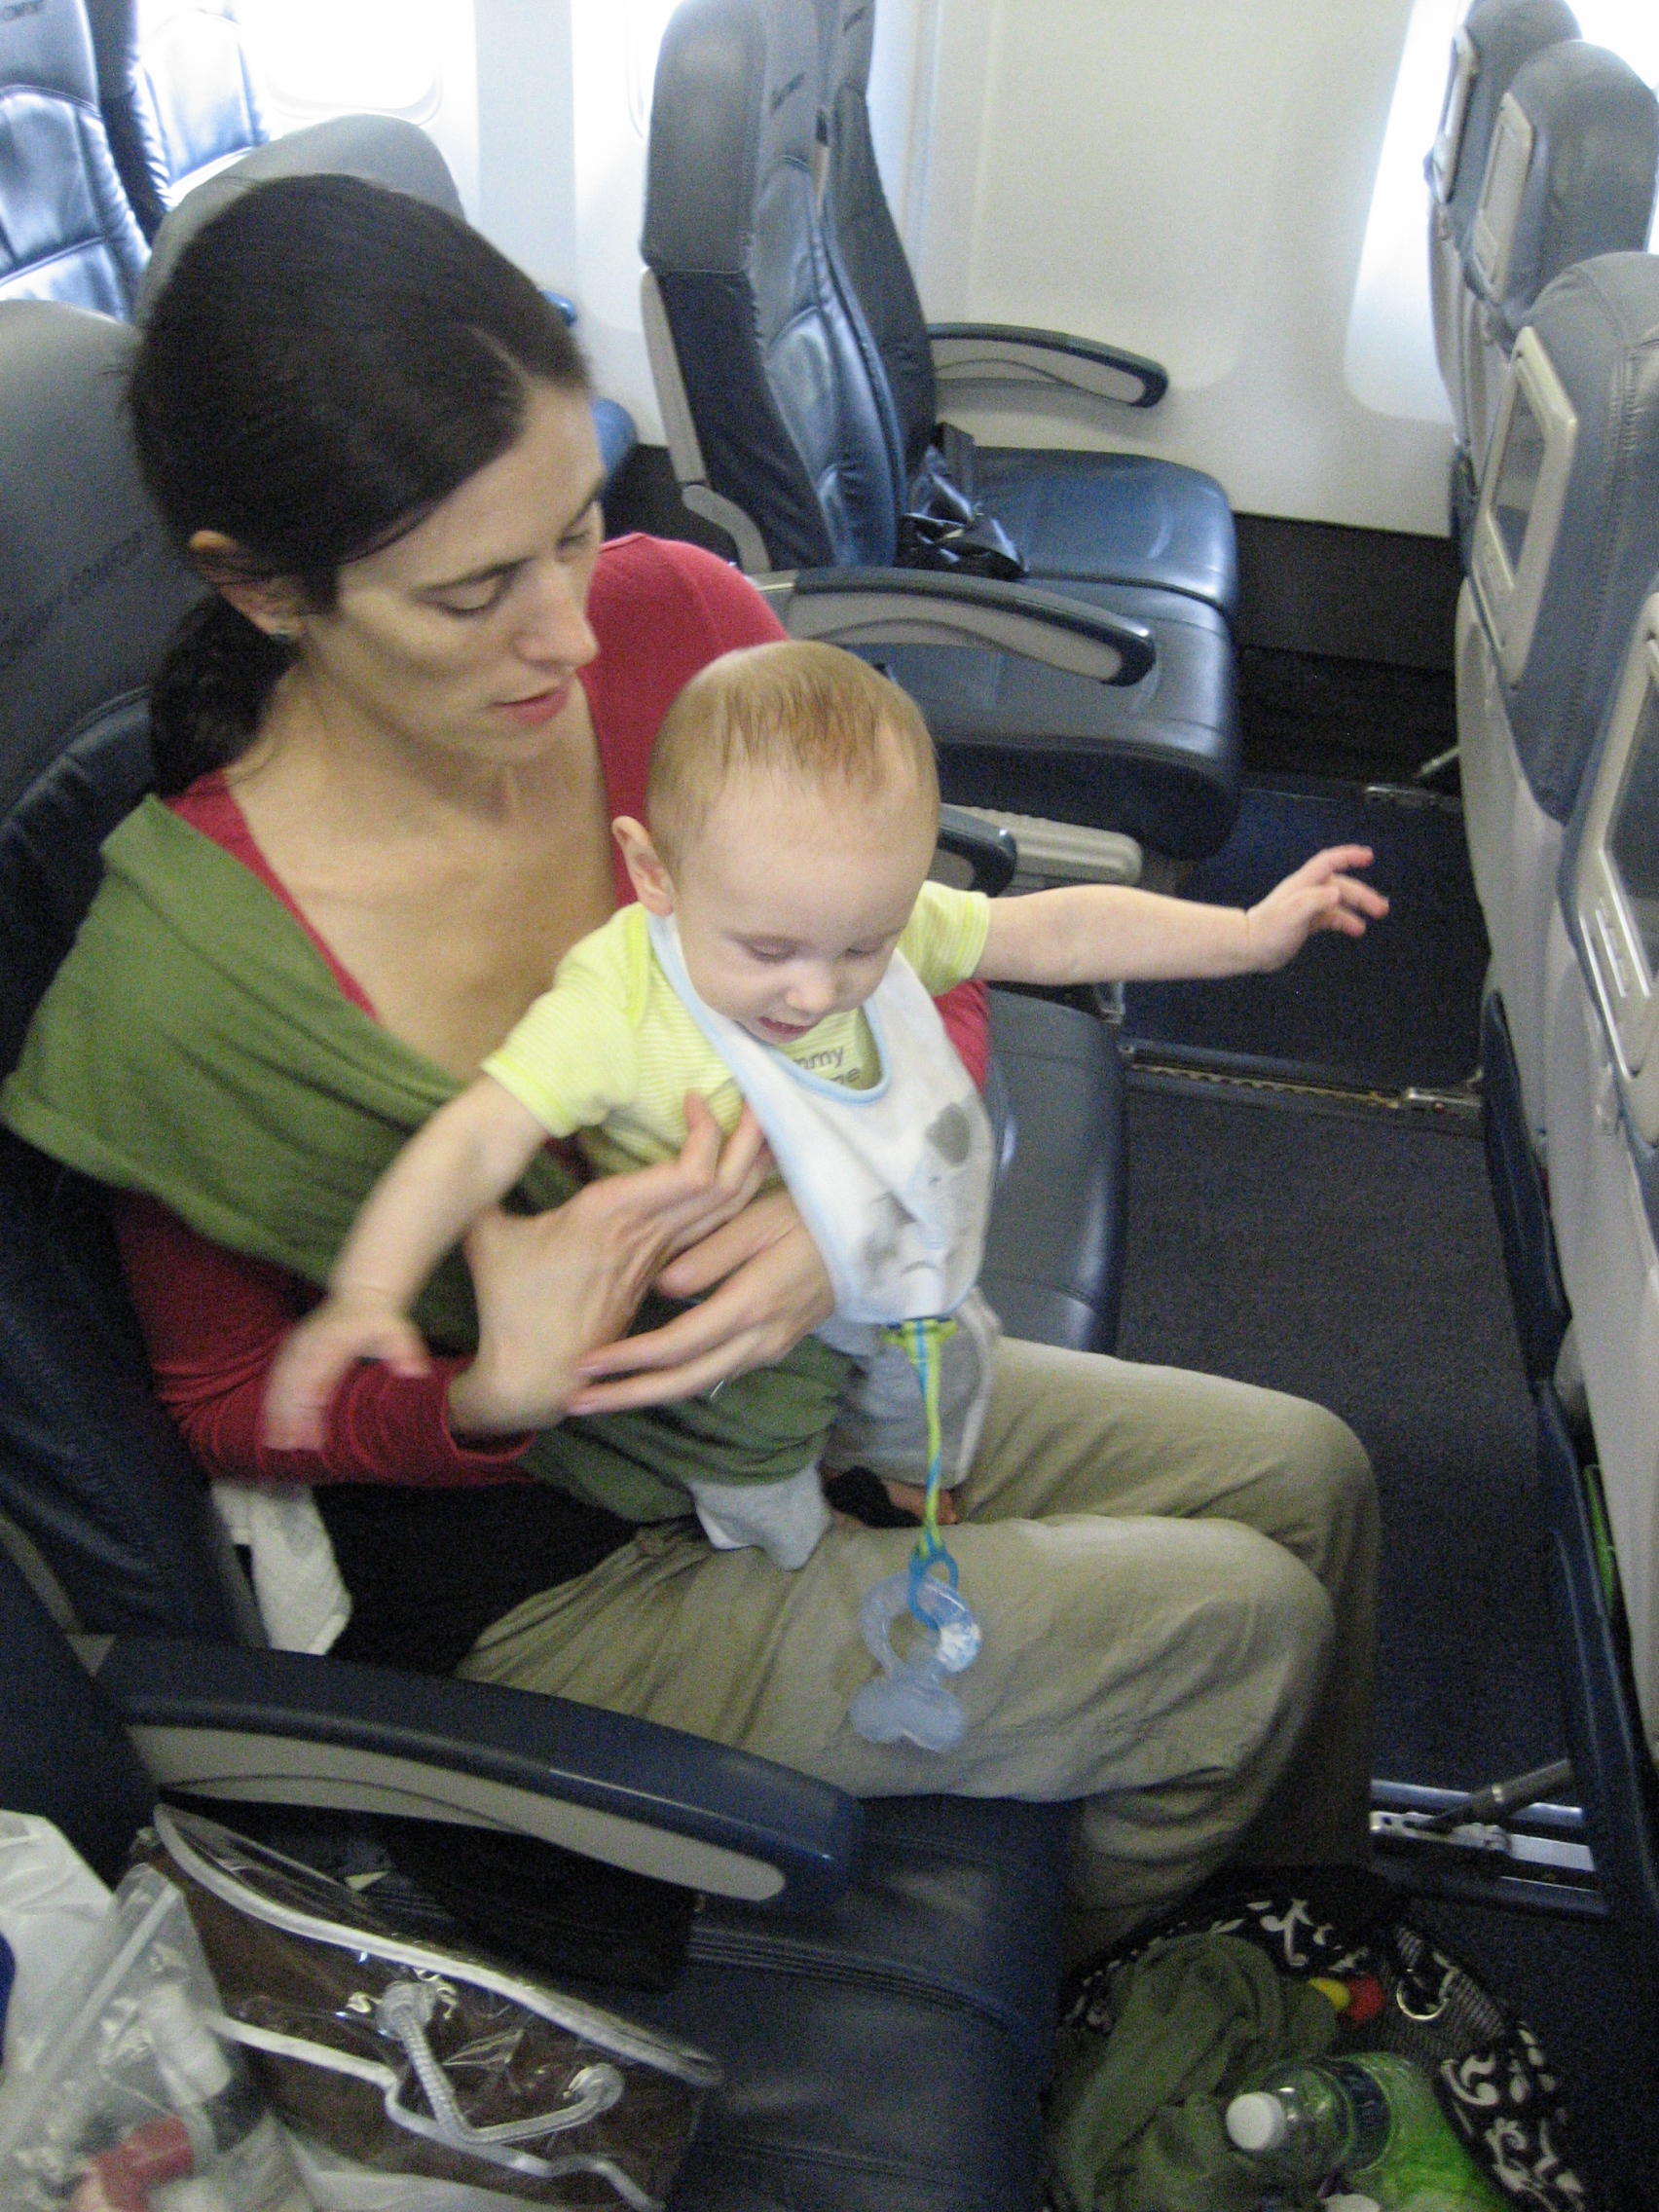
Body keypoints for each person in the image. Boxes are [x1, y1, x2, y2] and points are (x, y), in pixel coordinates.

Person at [0, 174, 1378, 1959]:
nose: (569, 634)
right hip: (558, 1565)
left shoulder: (679, 625)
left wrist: (827, 1202)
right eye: (474, 591)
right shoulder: (187, 983)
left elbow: (908, 948)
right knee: (1241, 1632)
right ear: (260, 589)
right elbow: (223, 1403)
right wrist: (489, 1393)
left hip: (813, 1367)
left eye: (573, 528)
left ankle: (1306, 1933)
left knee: (1313, 1476)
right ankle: (1122, 1997)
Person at [265, 638, 1386, 1591]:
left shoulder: (855, 921)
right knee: (763, 1482)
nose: (816, 992)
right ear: (655, 874)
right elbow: (477, 1133)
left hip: (878, 1262)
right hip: (736, 1341)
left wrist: (1247, 937)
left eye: (864, 945)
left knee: (947, 1362)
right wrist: (368, 1291)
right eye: (768, 950)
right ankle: (802, 1553)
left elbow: (1058, 932)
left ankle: (903, 1476)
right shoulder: (620, 1002)